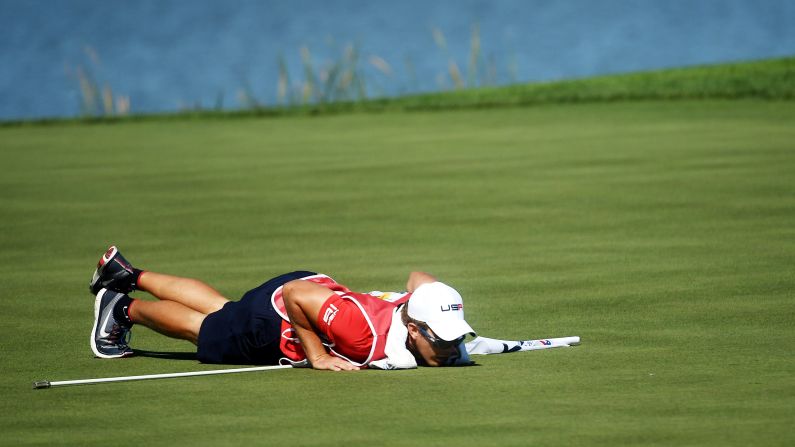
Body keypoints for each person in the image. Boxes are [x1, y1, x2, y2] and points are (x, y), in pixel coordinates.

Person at [88, 246, 477, 371]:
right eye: (442, 342)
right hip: (278, 315)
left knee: (223, 309)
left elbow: (418, 277)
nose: (450, 350)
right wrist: (318, 356)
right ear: (414, 330)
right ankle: (123, 309)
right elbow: (295, 294)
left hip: (312, 289)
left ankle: (125, 272)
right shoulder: (363, 331)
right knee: (204, 329)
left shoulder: (416, 304)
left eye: (453, 339)